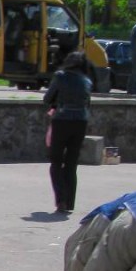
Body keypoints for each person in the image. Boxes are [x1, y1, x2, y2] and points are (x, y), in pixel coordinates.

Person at [43, 50, 93, 215]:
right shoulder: (87, 81)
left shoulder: (60, 76)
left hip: (62, 120)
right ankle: (70, 202)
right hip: (81, 122)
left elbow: (47, 98)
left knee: (56, 161)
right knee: (71, 163)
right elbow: (88, 104)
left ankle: (61, 200)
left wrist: (55, 104)